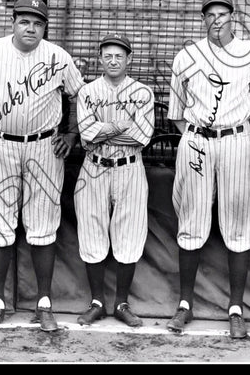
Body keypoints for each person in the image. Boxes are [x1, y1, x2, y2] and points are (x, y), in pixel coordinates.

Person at [0, 0, 85, 333]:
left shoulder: (58, 57)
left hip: (45, 146)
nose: (31, 27)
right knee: (0, 225)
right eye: (24, 21)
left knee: (43, 224)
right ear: (13, 22)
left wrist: (71, 134)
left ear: (45, 27)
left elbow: (80, 96)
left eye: (38, 22)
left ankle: (43, 303)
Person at [166, 0, 250, 337]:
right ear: (203, 19)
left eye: (222, 13)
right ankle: (184, 305)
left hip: (238, 141)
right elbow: (176, 114)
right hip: (196, 140)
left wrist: (235, 135)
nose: (216, 19)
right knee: (191, 221)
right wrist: (197, 135)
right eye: (209, 14)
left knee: (239, 226)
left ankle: (236, 308)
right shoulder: (187, 56)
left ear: (233, 17)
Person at [73, 33, 154, 328]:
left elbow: (141, 136)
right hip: (94, 166)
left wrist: (101, 128)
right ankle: (97, 302)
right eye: (107, 55)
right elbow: (85, 134)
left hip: (130, 167)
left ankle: (121, 303)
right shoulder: (87, 92)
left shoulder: (143, 92)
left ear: (129, 59)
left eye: (119, 55)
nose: (113, 60)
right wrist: (121, 125)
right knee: (92, 232)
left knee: (129, 236)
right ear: (99, 59)